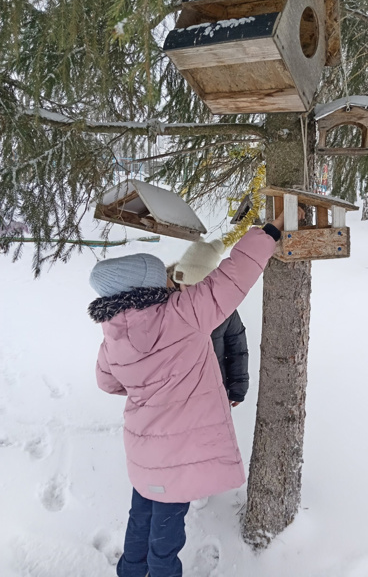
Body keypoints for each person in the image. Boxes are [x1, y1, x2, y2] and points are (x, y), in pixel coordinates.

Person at [87, 211, 289, 577]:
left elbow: (107, 382)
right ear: (148, 287)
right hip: (177, 454)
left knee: (141, 516)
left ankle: (130, 571)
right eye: (163, 276)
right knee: (165, 539)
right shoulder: (183, 314)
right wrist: (270, 232)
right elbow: (233, 277)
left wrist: (144, 386)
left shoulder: (112, 333)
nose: (171, 279)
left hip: (143, 449)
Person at [167, 237, 250, 408]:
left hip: (213, 388)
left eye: (197, 286)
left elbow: (237, 349)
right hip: (173, 393)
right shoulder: (165, 305)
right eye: (186, 285)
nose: (191, 292)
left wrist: (237, 386)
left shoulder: (223, 307)